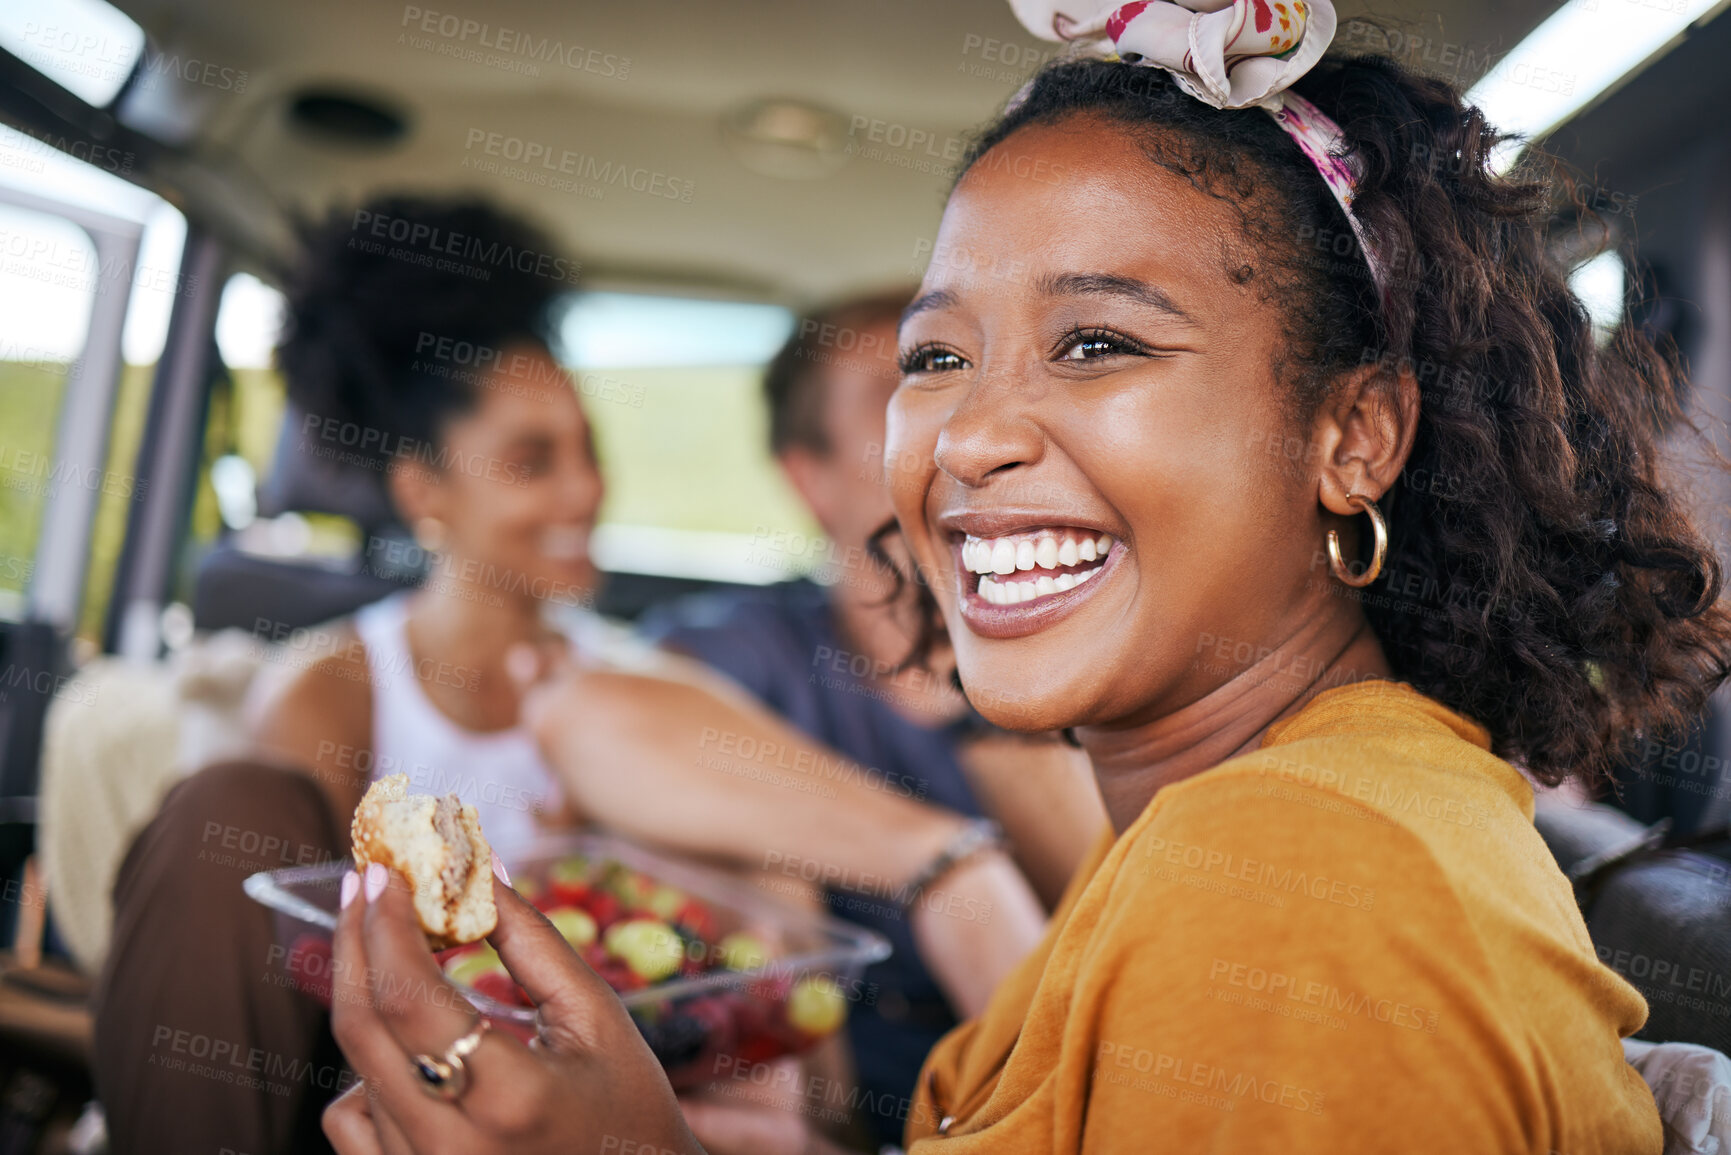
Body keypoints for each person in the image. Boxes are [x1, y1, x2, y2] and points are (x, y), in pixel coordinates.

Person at [317, 2, 1731, 1152]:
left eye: (1099, 341)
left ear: (1350, 435)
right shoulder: (1270, 822)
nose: (971, 433)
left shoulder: (1301, 876)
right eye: (936, 357)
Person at [637, 290, 1105, 1146]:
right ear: (806, 478)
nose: (964, 416)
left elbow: (1119, 962)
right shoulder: (751, 648)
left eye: (966, 369)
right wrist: (945, 864)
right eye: (912, 378)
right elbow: (598, 713)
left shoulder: (1084, 661)